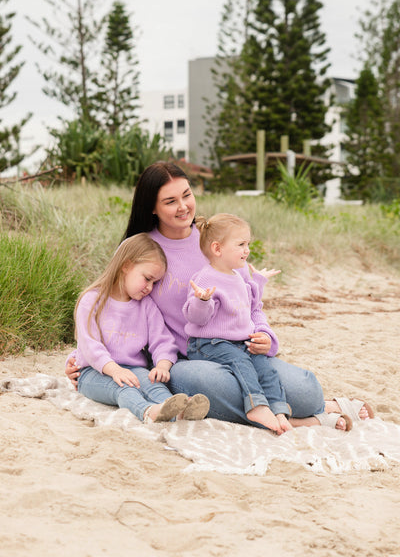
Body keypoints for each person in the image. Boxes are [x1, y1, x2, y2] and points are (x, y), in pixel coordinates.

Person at [66, 161, 374, 431]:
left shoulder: (215, 239)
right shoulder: (143, 251)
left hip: (239, 350)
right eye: (170, 201)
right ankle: (301, 419)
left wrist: (265, 334)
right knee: (203, 384)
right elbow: (113, 307)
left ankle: (313, 409)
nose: (183, 206)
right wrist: (84, 359)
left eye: (187, 194)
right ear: (152, 207)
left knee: (306, 389)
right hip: (187, 361)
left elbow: (251, 303)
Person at [69, 233, 210, 423]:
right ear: (126, 266)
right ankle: (148, 411)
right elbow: (89, 345)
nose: (149, 288)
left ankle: (177, 411)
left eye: (154, 283)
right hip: (94, 373)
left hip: (134, 368)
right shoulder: (92, 300)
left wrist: (162, 365)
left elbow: (162, 341)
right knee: (124, 388)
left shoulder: (146, 306)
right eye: (147, 278)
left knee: (153, 383)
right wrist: (115, 370)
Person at [183, 213, 292, 435]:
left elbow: (251, 304)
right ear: (217, 249)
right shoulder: (205, 278)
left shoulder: (237, 276)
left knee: (263, 366)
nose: (247, 250)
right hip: (208, 343)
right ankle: (257, 406)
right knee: (242, 362)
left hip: (238, 341)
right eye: (241, 244)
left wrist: (258, 281)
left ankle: (278, 410)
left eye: (247, 244)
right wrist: (201, 300)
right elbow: (197, 318)